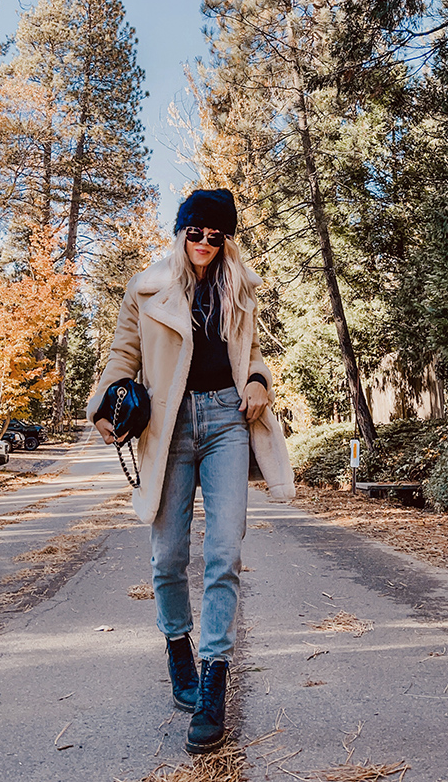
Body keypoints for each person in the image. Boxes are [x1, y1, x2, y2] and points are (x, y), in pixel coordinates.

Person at [88, 188, 295, 755]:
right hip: (169, 428)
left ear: (226, 239)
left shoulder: (241, 289)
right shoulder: (146, 288)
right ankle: (178, 648)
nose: (204, 243)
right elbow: (122, 357)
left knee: (224, 552)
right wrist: (106, 404)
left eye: (215, 235)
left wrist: (258, 381)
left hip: (228, 421)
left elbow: (251, 356)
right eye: (195, 232)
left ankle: (212, 682)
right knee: (169, 556)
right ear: (180, 233)